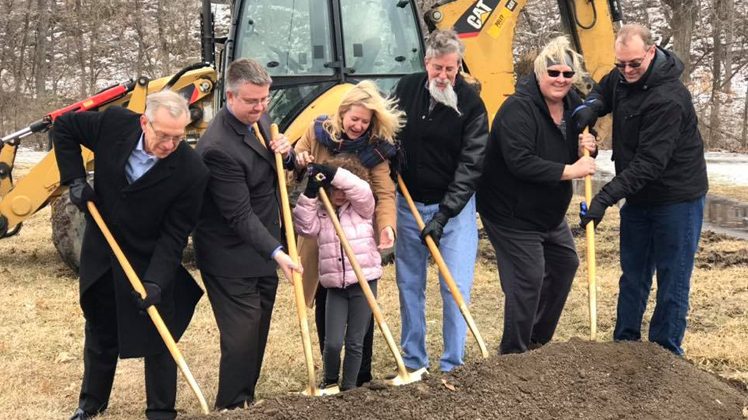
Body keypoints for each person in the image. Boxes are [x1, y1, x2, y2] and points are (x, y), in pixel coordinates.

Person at [53, 90, 209, 420]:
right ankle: (91, 403)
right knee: (100, 325)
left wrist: (155, 282)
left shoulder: (191, 171)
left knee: (159, 332)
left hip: (149, 254)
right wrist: (75, 180)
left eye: (178, 137)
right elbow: (65, 125)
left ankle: (161, 411)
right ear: (144, 122)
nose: (169, 145)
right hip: (104, 248)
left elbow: (175, 234)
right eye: (163, 136)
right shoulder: (113, 125)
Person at [572, 24, 708, 355]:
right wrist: (591, 106)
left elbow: (649, 163)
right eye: (621, 64)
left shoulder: (670, 98)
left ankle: (664, 356)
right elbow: (604, 91)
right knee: (633, 276)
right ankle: (624, 350)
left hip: (676, 199)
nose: (627, 71)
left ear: (651, 52)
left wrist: (604, 198)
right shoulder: (621, 76)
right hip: (638, 199)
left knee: (672, 280)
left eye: (634, 64)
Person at [193, 58, 302, 410]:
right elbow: (238, 214)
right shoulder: (218, 147)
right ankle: (231, 407)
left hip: (262, 247)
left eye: (264, 100)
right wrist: (278, 252)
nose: (260, 107)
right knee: (241, 336)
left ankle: (246, 402)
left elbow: (273, 168)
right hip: (229, 253)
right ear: (230, 96)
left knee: (257, 331)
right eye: (252, 101)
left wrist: (286, 154)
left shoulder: (260, 119)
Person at [476, 36, 597, 355]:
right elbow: (521, 162)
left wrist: (587, 144)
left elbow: (578, 137)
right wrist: (573, 170)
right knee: (528, 278)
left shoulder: (572, 105)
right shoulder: (518, 109)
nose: (560, 80)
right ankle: (513, 354)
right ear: (539, 73)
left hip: (548, 211)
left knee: (565, 263)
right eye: (553, 73)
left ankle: (537, 341)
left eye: (567, 74)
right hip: (510, 211)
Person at [293, 80, 403, 385]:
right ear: (341, 114)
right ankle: (330, 376)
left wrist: (387, 226)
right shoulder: (317, 134)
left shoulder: (375, 149)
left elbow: (382, 192)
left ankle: (360, 378)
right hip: (322, 235)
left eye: (365, 122)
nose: (358, 126)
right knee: (325, 299)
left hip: (356, 237)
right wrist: (299, 161)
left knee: (360, 310)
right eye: (354, 119)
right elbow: (293, 165)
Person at [391, 29, 489, 373]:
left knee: (454, 286)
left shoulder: (473, 105)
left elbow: (471, 165)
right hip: (409, 202)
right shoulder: (405, 89)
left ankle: (453, 366)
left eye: (451, 69)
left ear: (459, 65)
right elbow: (385, 129)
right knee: (409, 284)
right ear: (427, 63)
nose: (444, 76)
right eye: (438, 69)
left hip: (455, 209)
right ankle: (414, 362)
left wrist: (445, 214)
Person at [293, 155, 381, 391]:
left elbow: (361, 190)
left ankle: (350, 389)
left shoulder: (362, 208)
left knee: (355, 341)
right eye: (334, 189)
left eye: (344, 188)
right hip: (335, 286)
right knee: (332, 343)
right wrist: (311, 193)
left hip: (364, 283)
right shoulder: (322, 213)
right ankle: (329, 382)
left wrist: (334, 174)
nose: (340, 194)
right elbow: (303, 226)